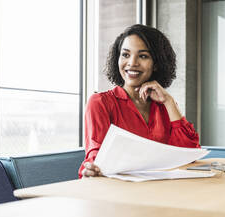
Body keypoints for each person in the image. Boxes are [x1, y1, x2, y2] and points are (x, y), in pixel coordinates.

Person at [79, 24, 200, 178]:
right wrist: (93, 169)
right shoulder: (100, 103)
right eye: (125, 55)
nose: (132, 63)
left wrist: (169, 101)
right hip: (119, 192)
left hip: (162, 191)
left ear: (156, 64)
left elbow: (188, 154)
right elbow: (97, 159)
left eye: (143, 56)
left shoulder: (164, 105)